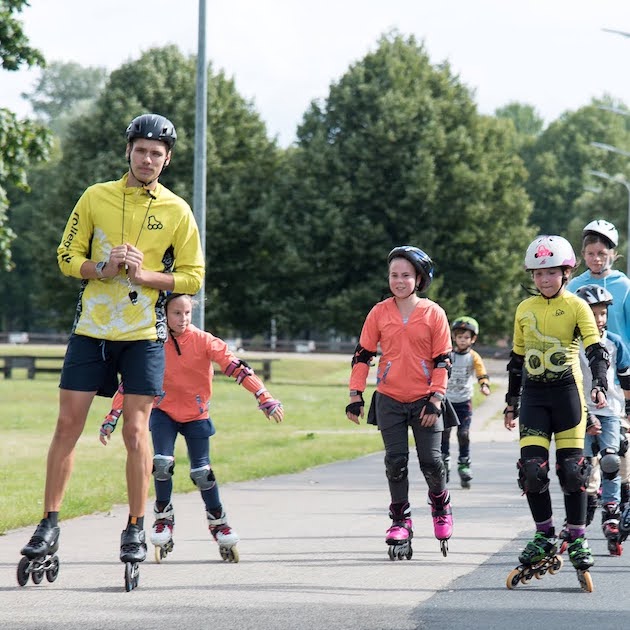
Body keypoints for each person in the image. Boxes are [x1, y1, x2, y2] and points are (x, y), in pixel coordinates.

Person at [20, 114, 205, 570]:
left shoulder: (177, 210)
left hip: (143, 335)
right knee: (68, 426)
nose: (147, 160)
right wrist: (101, 268)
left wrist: (147, 276)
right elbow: (66, 256)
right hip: (92, 331)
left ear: (167, 160)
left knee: (136, 431)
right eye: (141, 151)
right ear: (129, 151)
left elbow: (193, 277)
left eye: (156, 154)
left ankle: (136, 526)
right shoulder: (95, 196)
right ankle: (49, 523)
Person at [99, 293, 284, 562]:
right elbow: (131, 383)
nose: (183, 318)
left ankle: (219, 523)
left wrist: (263, 396)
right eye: (176, 313)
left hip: (197, 413)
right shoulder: (154, 343)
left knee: (202, 472)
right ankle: (163, 519)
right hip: (163, 412)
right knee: (161, 463)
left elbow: (236, 367)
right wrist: (113, 415)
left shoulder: (204, 340)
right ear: (164, 313)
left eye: (187, 313)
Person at [504, 235, 609, 583]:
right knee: (532, 471)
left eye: (551, 272)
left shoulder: (577, 306)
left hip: (567, 395)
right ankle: (544, 533)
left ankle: (577, 536)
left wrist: (599, 382)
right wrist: (511, 401)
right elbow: (517, 360)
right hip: (534, 397)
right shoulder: (524, 308)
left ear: (566, 272)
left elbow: (596, 349)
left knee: (573, 471)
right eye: (538, 273)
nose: (544, 279)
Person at [346, 245, 453, 559]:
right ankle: (400, 520)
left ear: (419, 279)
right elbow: (363, 354)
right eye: (394, 274)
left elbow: (443, 359)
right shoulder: (379, 312)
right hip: (390, 398)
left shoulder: (434, 313)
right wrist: (356, 395)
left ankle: (440, 504)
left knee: (432, 463)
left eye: (406, 275)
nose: (399, 280)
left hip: (426, 400)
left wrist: (436, 398)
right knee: (395, 462)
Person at [574, 284, 630, 556]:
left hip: (610, 412)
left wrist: (628, 409)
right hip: (580, 412)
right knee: (581, 469)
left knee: (611, 460)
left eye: (602, 313)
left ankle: (611, 510)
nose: (598, 319)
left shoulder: (616, 342)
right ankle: (578, 520)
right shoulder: (573, 346)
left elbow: (626, 378)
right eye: (592, 313)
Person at [441, 316, 490, 488]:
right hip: (447, 402)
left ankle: (464, 463)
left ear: (473, 339)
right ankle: (443, 461)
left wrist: (484, 386)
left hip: (464, 402)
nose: (463, 340)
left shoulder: (473, 357)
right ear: (454, 337)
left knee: (463, 434)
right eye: (460, 337)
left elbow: (481, 372)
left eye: (466, 337)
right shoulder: (448, 355)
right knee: (444, 432)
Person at [567, 219, 630, 351]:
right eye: (591, 253)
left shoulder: (624, 285)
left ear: (612, 254)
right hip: (584, 361)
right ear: (583, 254)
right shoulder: (574, 286)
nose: (596, 259)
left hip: (619, 360)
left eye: (602, 253)